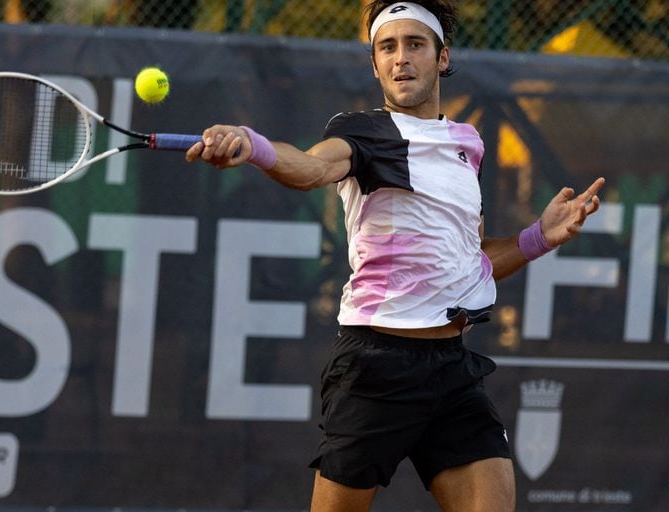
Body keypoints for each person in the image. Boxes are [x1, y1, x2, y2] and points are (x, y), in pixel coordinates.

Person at [185, 1, 604, 510]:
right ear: (375, 64)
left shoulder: (466, 142)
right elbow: (312, 169)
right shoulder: (365, 134)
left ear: (442, 57)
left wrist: (538, 236)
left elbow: (469, 260)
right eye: (388, 47)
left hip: (451, 367)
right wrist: (254, 146)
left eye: (414, 45)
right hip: (377, 366)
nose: (401, 58)